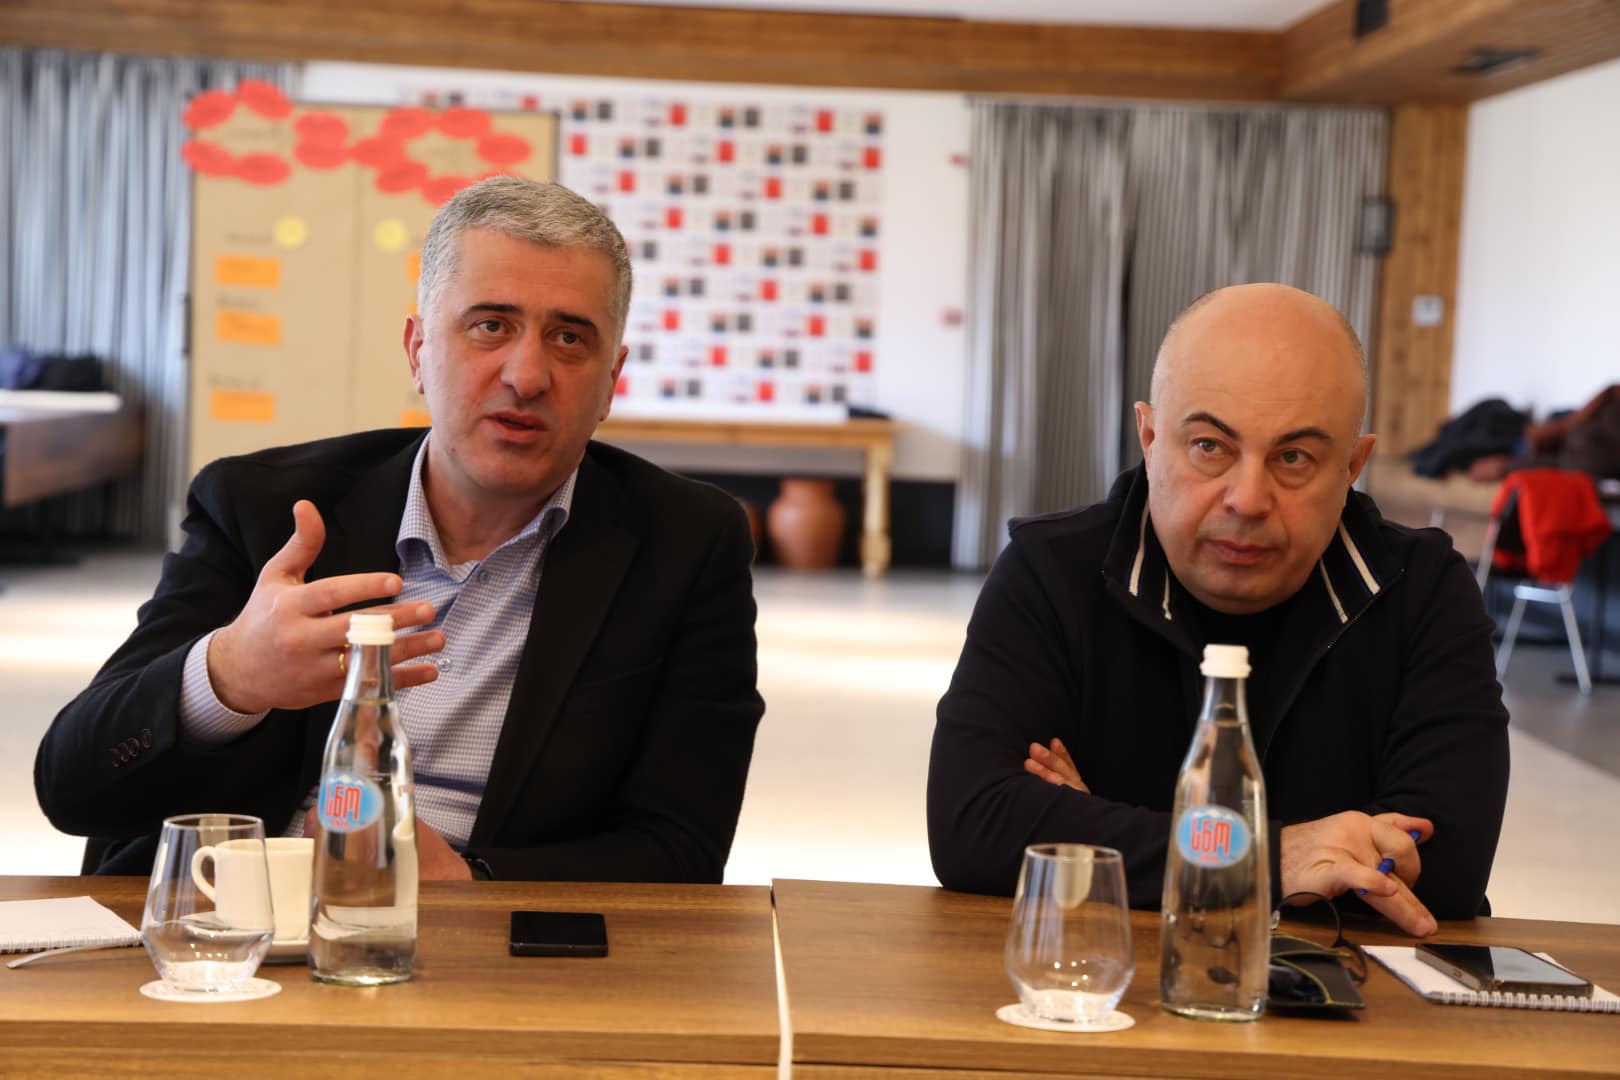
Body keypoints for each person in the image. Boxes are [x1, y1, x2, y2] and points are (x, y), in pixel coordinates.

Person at [36, 178, 764, 883]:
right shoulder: (264, 508)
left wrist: (472, 883)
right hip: (228, 922)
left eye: (570, 338)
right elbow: (71, 787)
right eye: (490, 326)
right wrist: (230, 676)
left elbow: (681, 849)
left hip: (479, 943)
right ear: (418, 351)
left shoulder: (686, 544)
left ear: (611, 380)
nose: (527, 375)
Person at [927, 283, 1509, 936]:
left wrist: (1103, 837)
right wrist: (1273, 860)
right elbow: (973, 825)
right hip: (1104, 982)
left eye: (1294, 457)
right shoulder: (1052, 571)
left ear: (1352, 466)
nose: (1247, 499)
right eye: (1210, 446)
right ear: (1150, 437)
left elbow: (1448, 866)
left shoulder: (1422, 591)